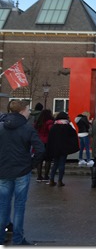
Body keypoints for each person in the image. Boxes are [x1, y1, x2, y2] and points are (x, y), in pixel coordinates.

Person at [0, 100, 44, 245]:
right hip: (22, 171)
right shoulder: (27, 128)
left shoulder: (1, 126)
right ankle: (18, 240)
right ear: (21, 111)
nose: (29, 112)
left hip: (3, 170)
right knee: (19, 206)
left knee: (3, 204)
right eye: (27, 110)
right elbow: (40, 150)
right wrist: (30, 165)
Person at [46, 112, 80, 187]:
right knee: (62, 164)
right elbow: (74, 135)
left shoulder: (54, 127)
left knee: (55, 164)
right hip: (64, 148)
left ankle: (51, 180)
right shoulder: (68, 127)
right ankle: (60, 181)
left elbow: (50, 139)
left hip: (55, 148)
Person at [34, 109, 54, 182]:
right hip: (47, 142)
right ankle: (46, 176)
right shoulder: (49, 122)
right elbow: (51, 131)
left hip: (39, 142)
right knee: (48, 159)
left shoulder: (38, 123)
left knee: (40, 160)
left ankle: (39, 176)